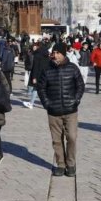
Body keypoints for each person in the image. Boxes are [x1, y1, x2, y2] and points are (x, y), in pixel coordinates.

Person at [37, 43, 84, 177]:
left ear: (63, 54)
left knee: (72, 137)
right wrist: (47, 104)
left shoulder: (73, 68)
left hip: (71, 110)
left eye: (58, 52)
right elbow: (41, 88)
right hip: (53, 111)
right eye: (54, 52)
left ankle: (71, 164)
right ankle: (61, 165)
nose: (55, 55)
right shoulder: (47, 69)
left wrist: (76, 100)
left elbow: (80, 85)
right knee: (57, 140)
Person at [25, 43, 50, 109]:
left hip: (38, 75)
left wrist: (34, 77)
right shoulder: (47, 56)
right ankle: (46, 104)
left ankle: (31, 104)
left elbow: (35, 67)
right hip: (45, 75)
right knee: (43, 90)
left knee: (35, 89)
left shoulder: (37, 55)